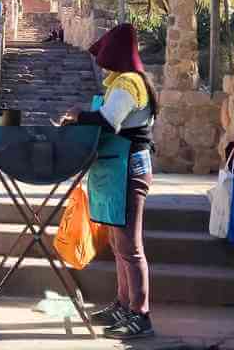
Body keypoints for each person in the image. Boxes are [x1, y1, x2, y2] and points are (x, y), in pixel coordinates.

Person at [59, 23, 158, 340]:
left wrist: (77, 114)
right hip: (117, 168)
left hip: (129, 168)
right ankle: (123, 304)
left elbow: (109, 120)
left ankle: (140, 314)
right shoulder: (121, 82)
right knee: (118, 244)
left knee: (130, 245)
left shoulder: (129, 84)